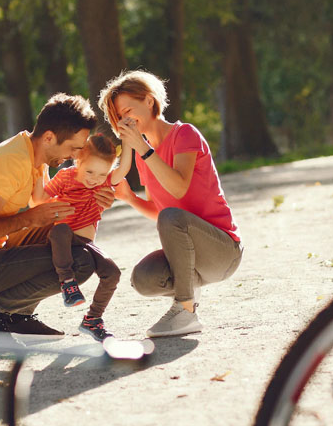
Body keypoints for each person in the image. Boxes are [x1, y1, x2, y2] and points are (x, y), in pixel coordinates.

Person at [0, 93, 115, 336]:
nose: (75, 156)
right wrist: (30, 218)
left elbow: (45, 205)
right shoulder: (13, 162)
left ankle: (17, 317)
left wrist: (95, 200)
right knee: (80, 262)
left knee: (69, 234)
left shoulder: (31, 153)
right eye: (73, 148)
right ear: (49, 138)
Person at [98, 70, 243, 338]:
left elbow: (178, 187)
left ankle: (186, 310)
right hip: (192, 254)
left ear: (149, 101)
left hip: (223, 251)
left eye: (128, 110)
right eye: (119, 117)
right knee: (142, 278)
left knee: (172, 218)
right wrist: (129, 198)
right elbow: (160, 211)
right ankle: (188, 288)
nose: (125, 120)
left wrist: (143, 149)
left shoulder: (184, 134)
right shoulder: (143, 156)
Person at [31, 133, 132, 341]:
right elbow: (39, 198)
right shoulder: (65, 177)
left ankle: (93, 319)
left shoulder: (105, 183)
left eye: (102, 174)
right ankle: (67, 282)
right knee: (60, 230)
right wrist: (40, 168)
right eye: (90, 171)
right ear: (78, 161)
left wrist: (128, 140)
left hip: (86, 244)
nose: (94, 178)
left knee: (112, 272)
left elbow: (123, 168)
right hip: (63, 239)